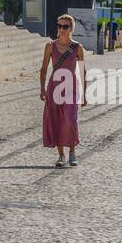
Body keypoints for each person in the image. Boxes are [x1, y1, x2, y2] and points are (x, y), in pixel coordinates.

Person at [40, 14, 86, 167]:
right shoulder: (50, 46)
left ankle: (72, 152)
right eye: (59, 26)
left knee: (70, 119)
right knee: (56, 121)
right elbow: (44, 69)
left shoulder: (77, 47)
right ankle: (61, 156)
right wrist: (42, 88)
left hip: (71, 86)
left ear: (71, 29)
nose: (61, 29)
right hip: (54, 87)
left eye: (65, 26)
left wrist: (84, 94)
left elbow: (82, 72)